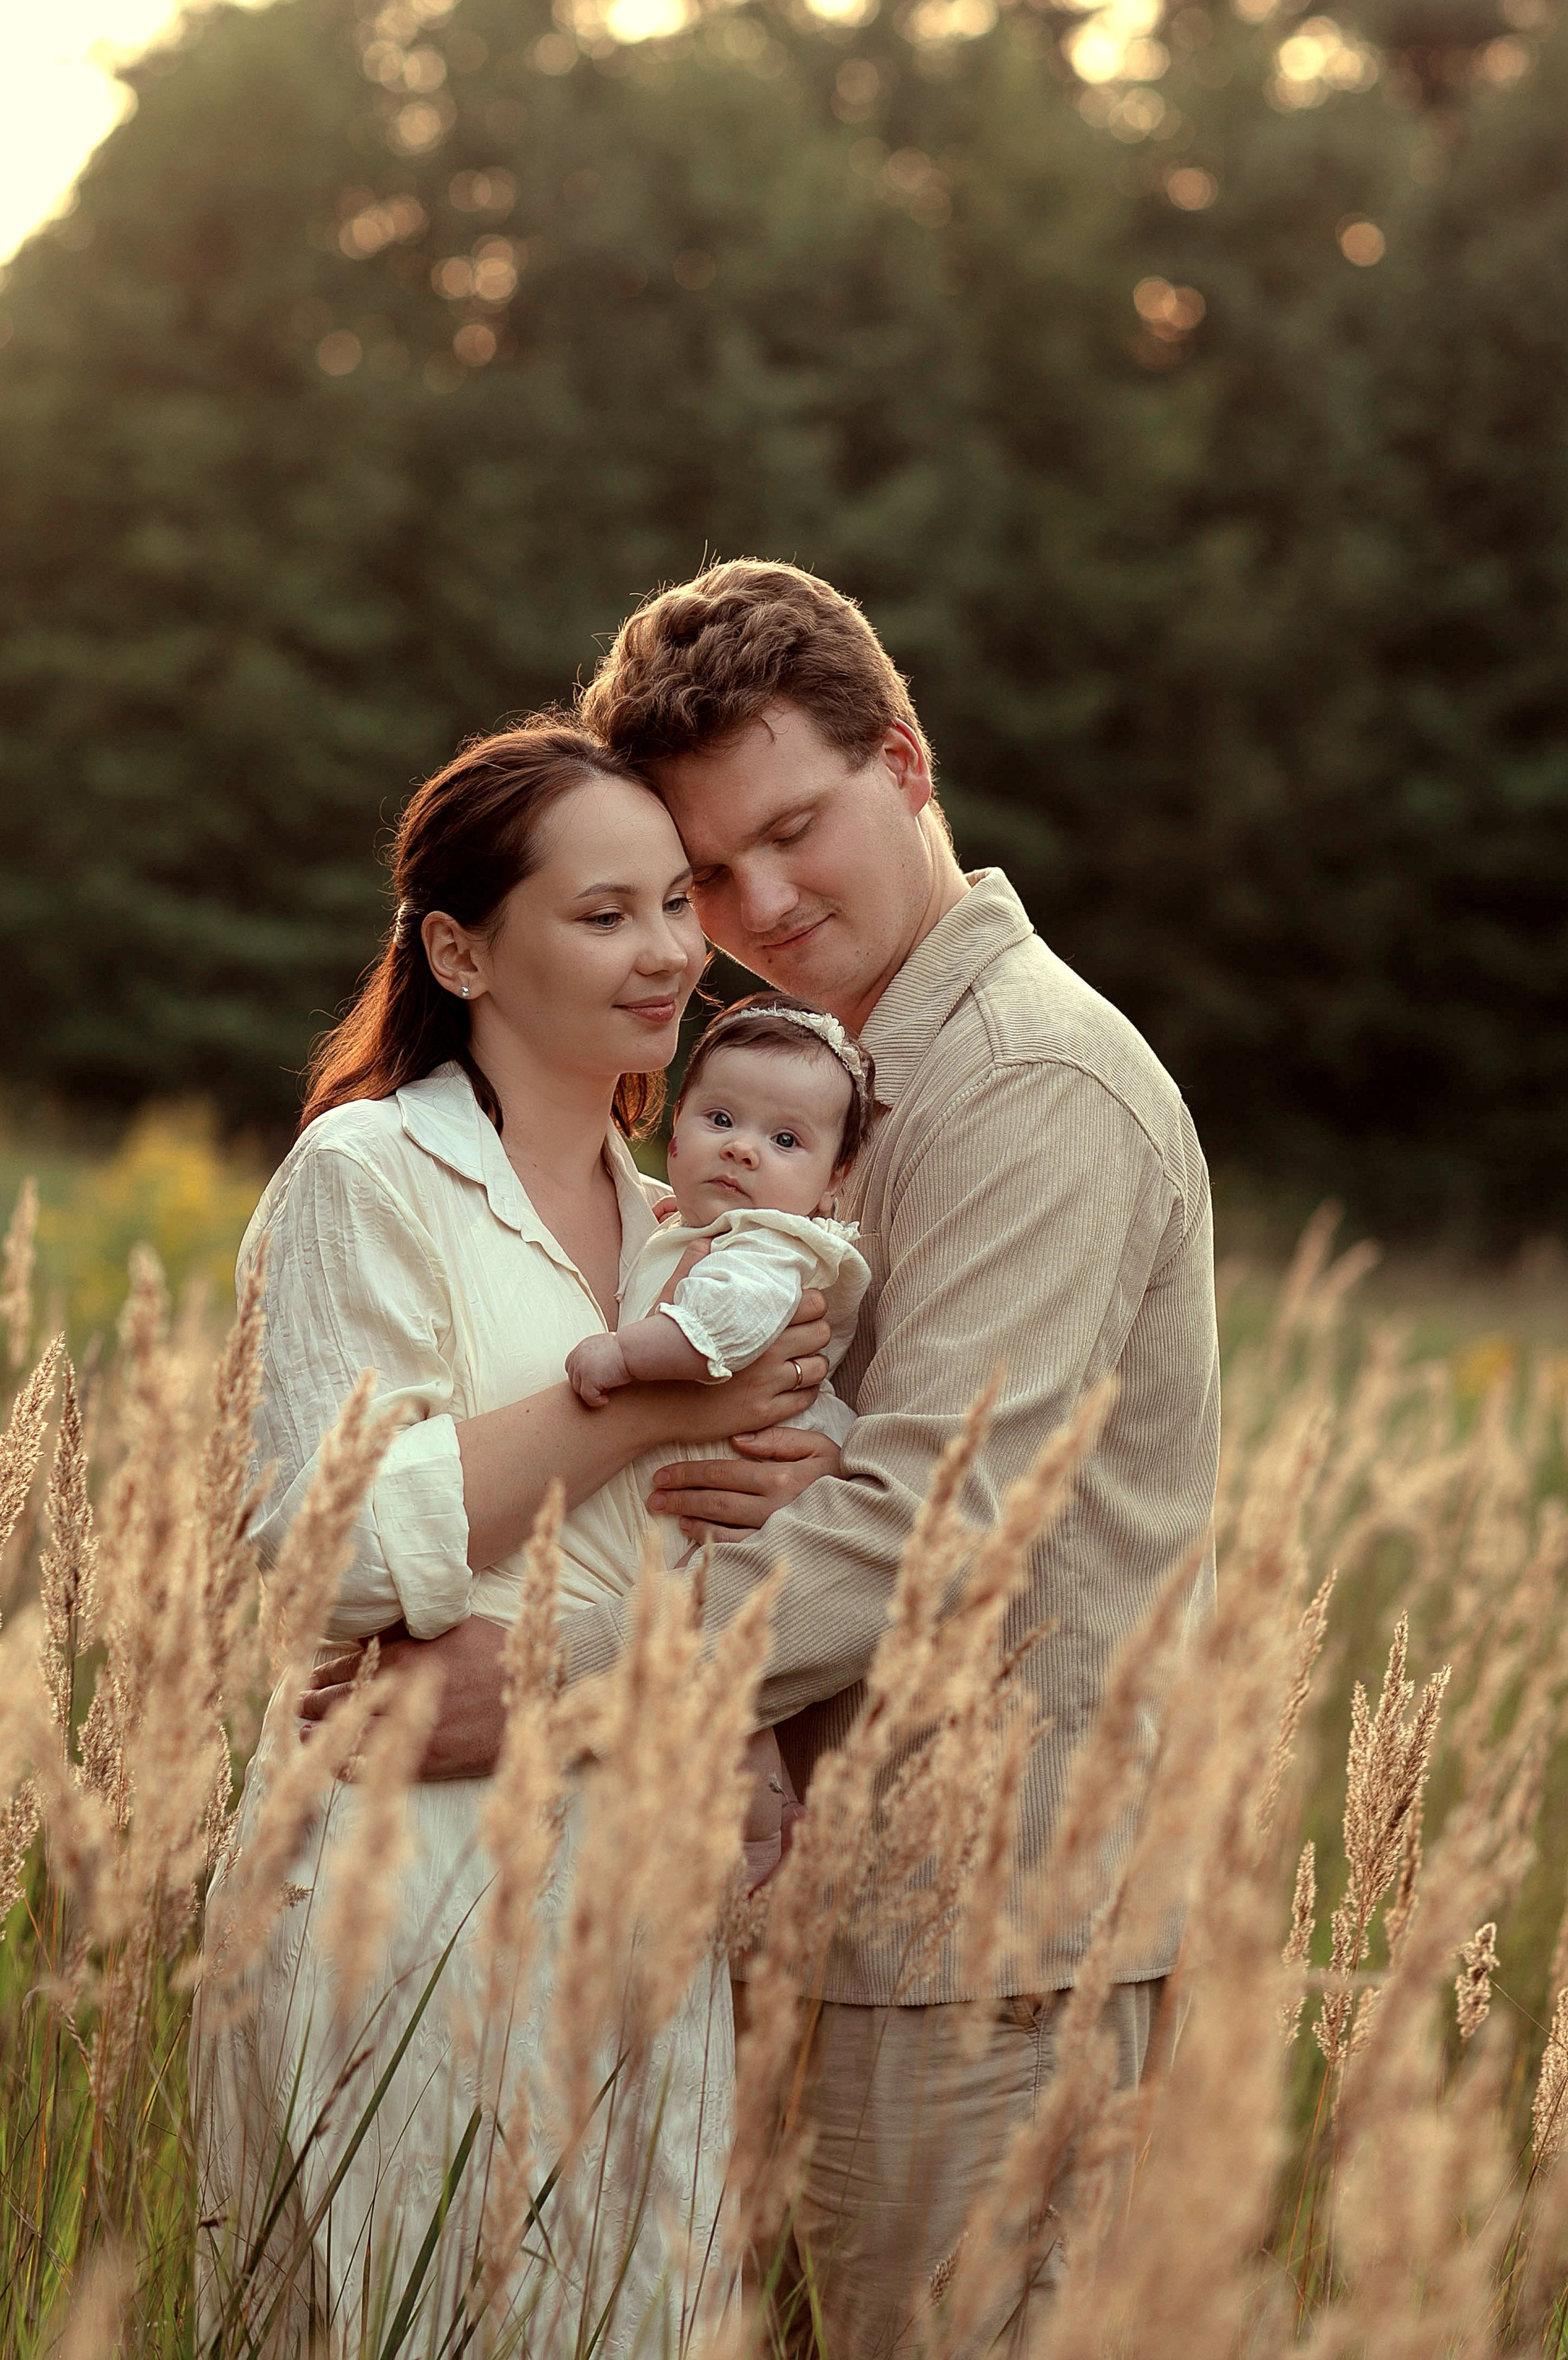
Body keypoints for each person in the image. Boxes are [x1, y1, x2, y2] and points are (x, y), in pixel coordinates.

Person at [308, 563, 1221, 2358]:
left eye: (794, 830)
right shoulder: (807, 1088)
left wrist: (552, 1677)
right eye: (710, 872)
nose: (760, 904)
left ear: (906, 757)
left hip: (981, 1946)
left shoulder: (1029, 1080)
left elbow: (931, 1524)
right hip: (820, 1918)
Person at [193, 716, 835, 2359]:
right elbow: (315, 1542)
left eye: (672, 906)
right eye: (602, 913)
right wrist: (644, 1414)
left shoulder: (683, 1229)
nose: (668, 953)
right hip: (403, 1881)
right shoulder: (367, 1174)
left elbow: (698, 1573)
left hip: (633, 1875)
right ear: (460, 946)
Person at [567, 991, 877, 1883]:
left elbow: (728, 1327)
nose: (744, 1147)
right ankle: (769, 1807)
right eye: (721, 1119)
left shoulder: (771, 1247)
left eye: (786, 1141)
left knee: (726, 1672)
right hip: (719, 1477)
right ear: (676, 1133)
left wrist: (626, 1355)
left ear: (832, 1179)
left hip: (756, 1476)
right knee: (731, 1695)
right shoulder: (690, 1226)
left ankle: (752, 1837)